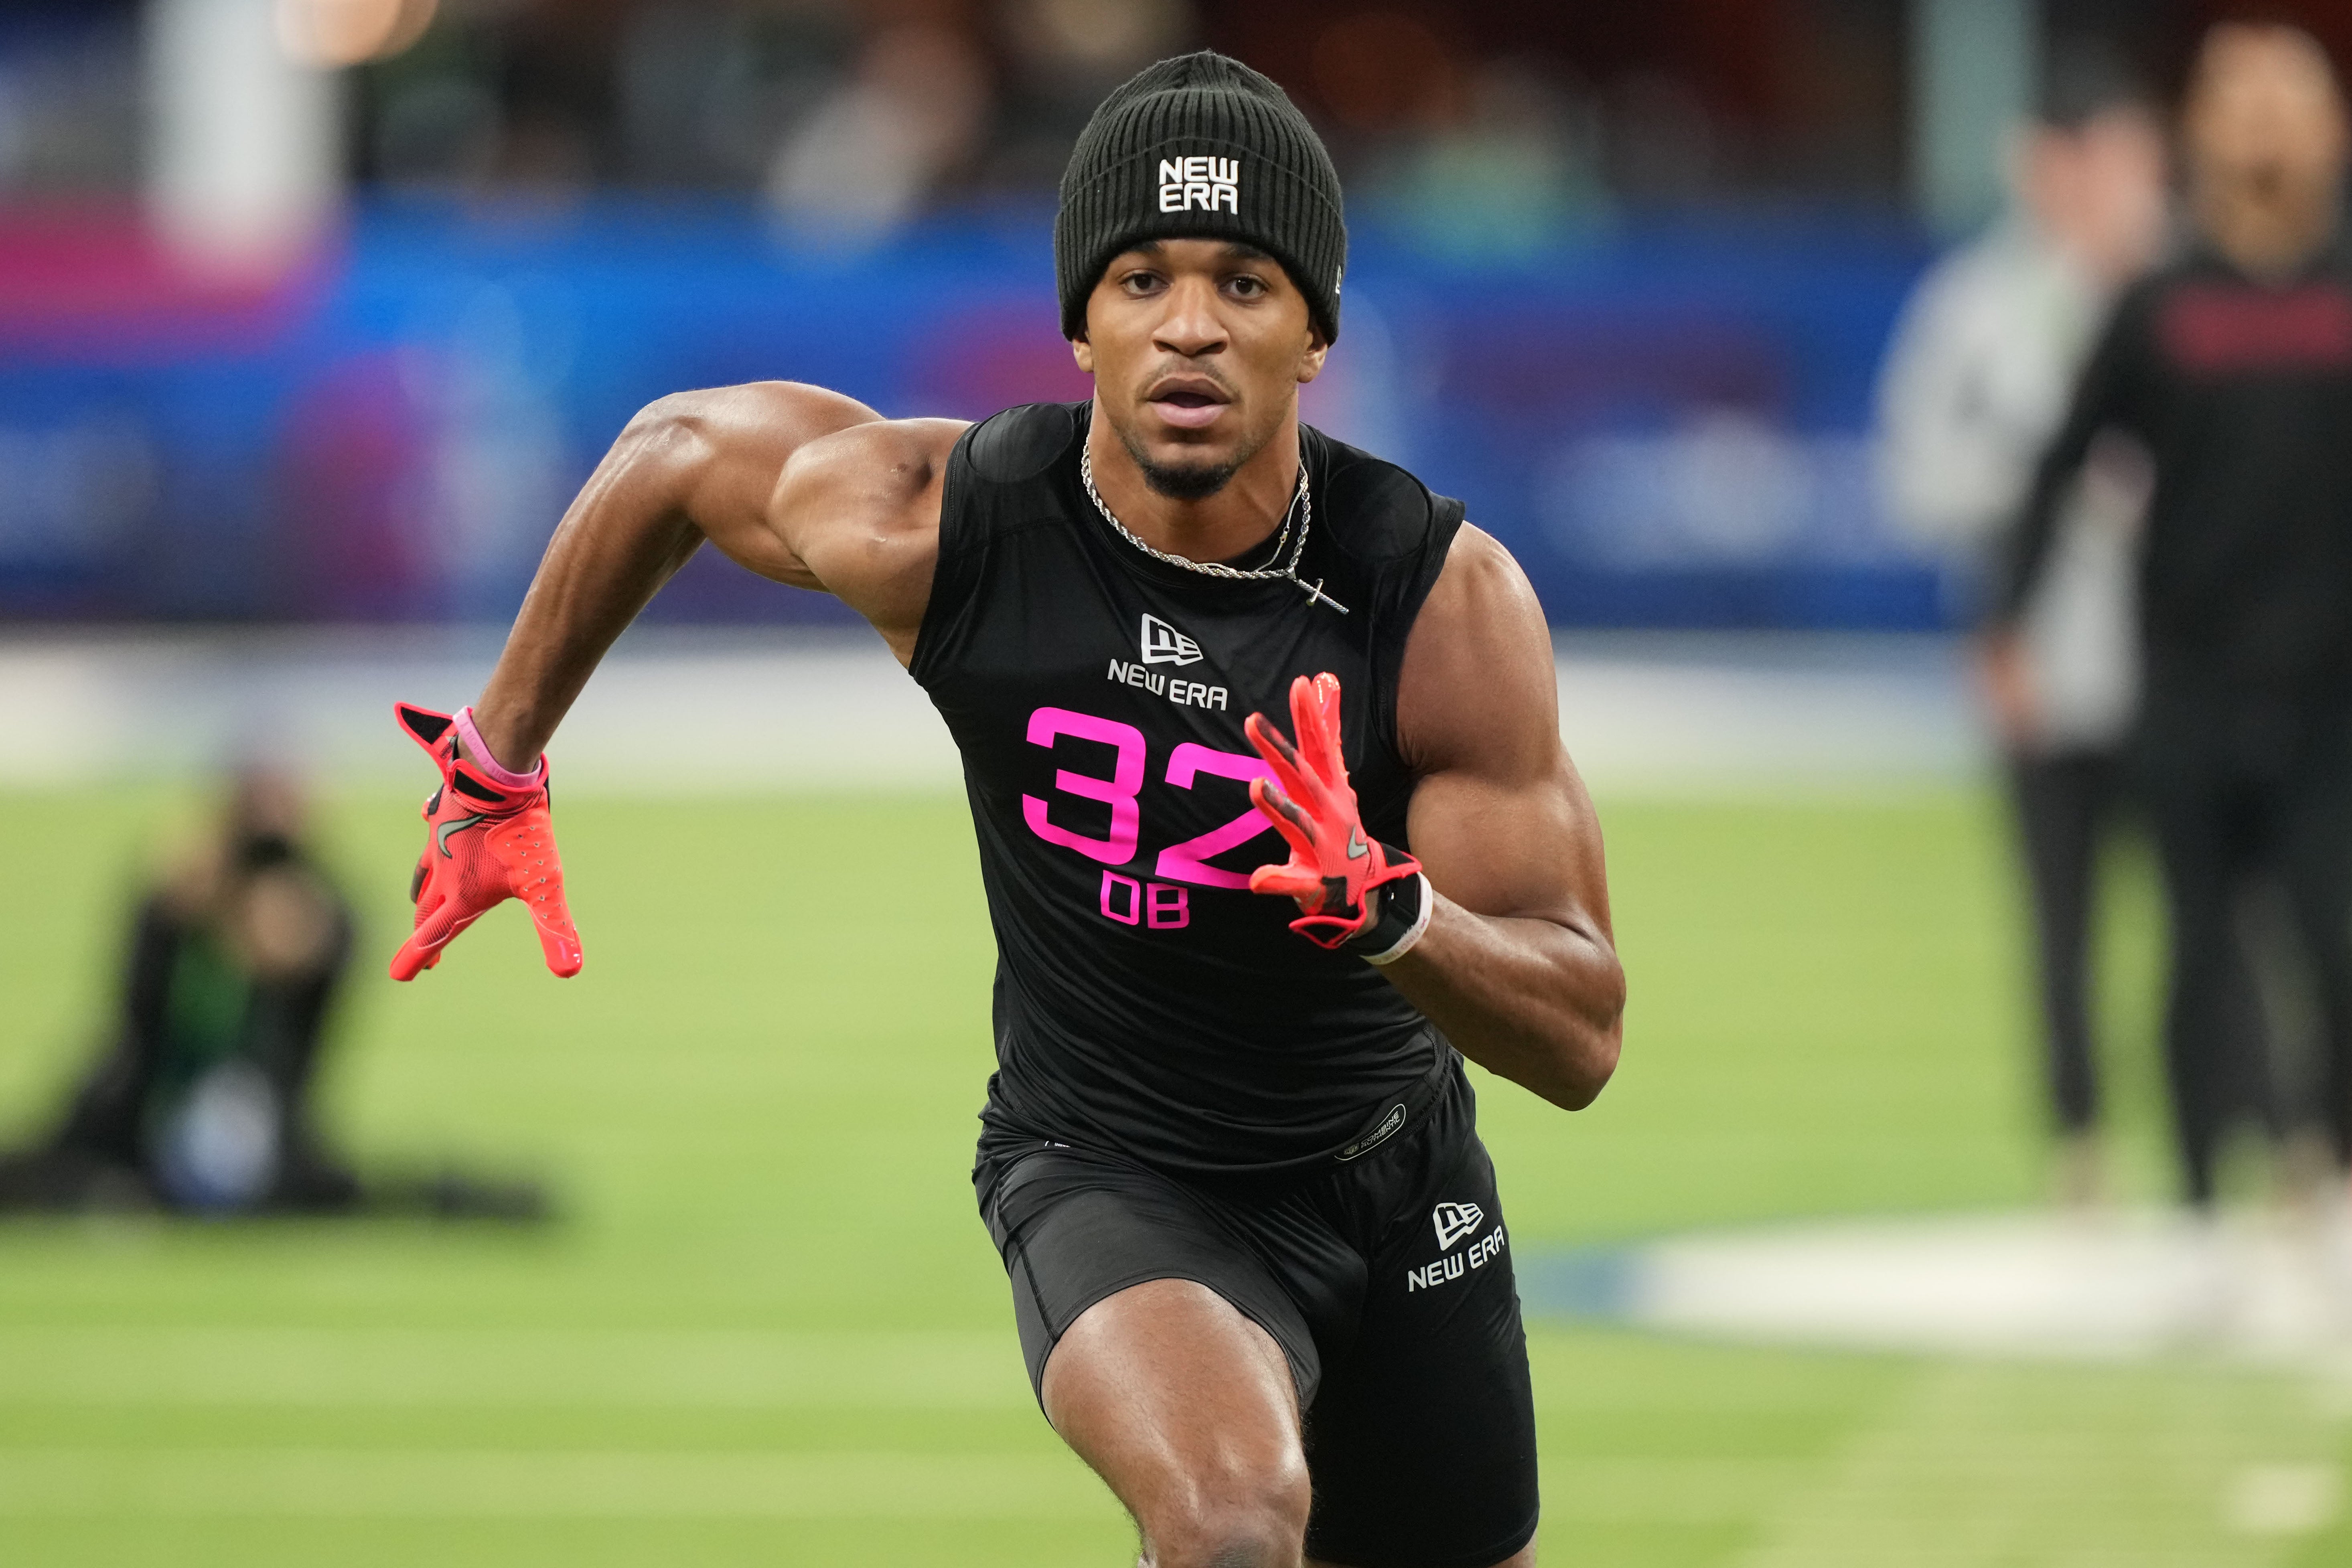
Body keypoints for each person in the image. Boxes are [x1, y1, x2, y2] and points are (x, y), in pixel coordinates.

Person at [386, 52, 1624, 1568]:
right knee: (1234, 1521)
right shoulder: (947, 527)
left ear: (1316, 334)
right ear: (1079, 325)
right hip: (1114, 1170)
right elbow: (677, 456)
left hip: (1393, 1166)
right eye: (1141, 277)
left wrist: (1394, 913)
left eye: (1245, 282)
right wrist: (499, 760)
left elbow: (1580, 1037)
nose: (1187, 324)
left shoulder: (1434, 602)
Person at [1994, 24, 2352, 1211]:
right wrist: (2009, 620)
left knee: (2335, 944)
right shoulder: (2160, 302)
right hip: (2193, 680)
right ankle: (2206, 1200)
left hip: (2331, 693)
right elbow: (2060, 463)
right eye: (2237, 103)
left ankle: (2328, 1166)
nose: (2259, 130)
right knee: (2198, 954)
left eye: (2281, 104)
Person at [1876, 49, 2170, 1201]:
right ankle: (2081, 1148)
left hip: (2183, 657)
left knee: (2220, 917)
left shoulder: (2184, 297)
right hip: (2037, 658)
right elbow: (1916, 477)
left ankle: (2255, 1144)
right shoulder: (1975, 307)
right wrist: (2041, 481)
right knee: (2062, 920)